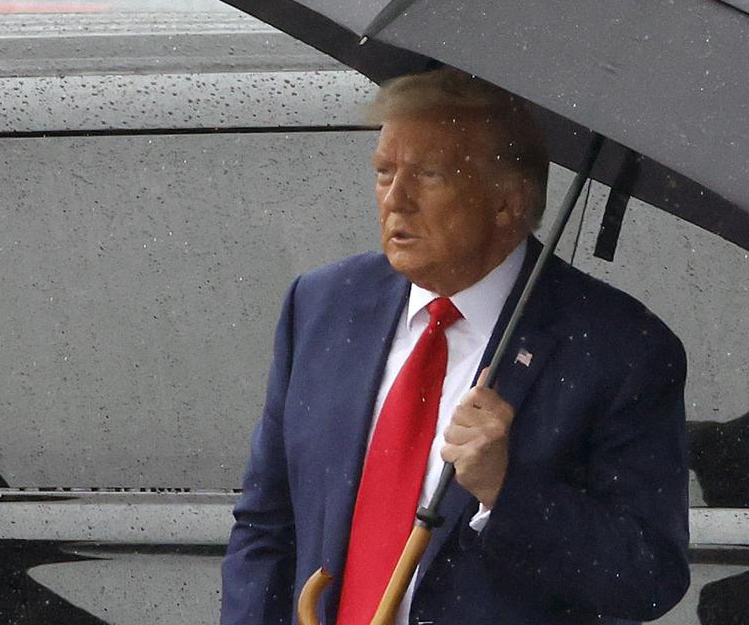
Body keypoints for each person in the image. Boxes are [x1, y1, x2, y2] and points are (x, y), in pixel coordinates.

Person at [220, 68, 690, 625]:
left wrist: (505, 491)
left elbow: (647, 576)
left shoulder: (620, 348)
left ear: (506, 203)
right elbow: (266, 525)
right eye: (384, 172)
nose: (396, 199)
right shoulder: (323, 305)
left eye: (429, 175)